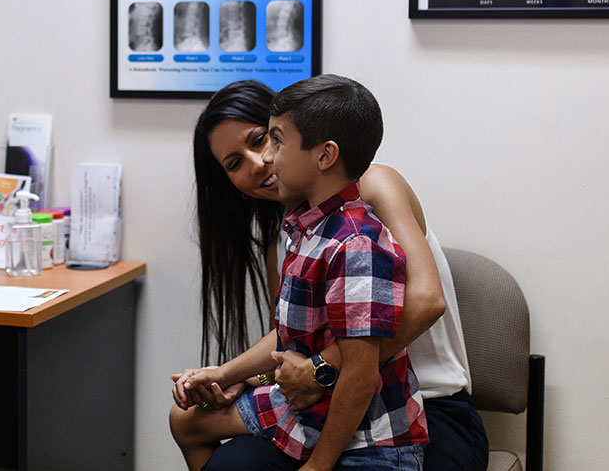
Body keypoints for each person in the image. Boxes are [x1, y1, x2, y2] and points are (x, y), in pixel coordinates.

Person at [176, 80, 487, 471]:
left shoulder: (371, 188)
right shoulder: (292, 233)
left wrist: (321, 370)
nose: (259, 162)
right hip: (323, 406)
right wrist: (248, 376)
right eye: (235, 163)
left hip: (421, 406)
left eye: (263, 140)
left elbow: (426, 302)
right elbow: (302, 336)